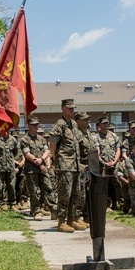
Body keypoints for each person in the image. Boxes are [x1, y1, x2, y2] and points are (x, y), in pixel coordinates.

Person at [49, 98, 88, 233]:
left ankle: (72, 220)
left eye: (73, 108)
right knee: (65, 194)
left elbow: (80, 142)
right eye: (69, 108)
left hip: (76, 165)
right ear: (63, 109)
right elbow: (52, 144)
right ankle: (61, 222)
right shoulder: (60, 124)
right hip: (65, 165)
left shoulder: (73, 124)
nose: (72, 110)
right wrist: (56, 160)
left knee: (75, 194)